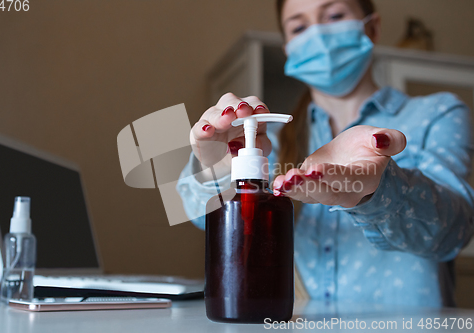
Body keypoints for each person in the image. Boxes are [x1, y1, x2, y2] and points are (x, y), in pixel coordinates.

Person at [177, 0, 474, 307]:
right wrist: (221, 165)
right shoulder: (271, 142)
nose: (317, 34)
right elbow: (204, 217)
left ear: (372, 27)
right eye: (299, 27)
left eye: (333, 15)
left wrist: (379, 190)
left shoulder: (436, 114)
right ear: (288, 48)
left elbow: (456, 230)